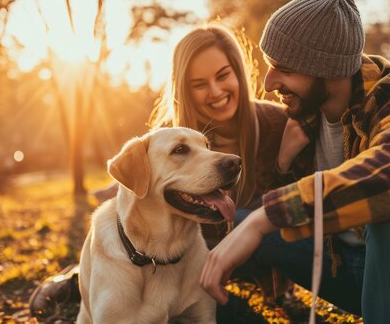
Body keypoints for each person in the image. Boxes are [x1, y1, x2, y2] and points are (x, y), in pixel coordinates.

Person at [200, 0, 390, 324]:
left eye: (283, 68)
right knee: (233, 221)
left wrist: (266, 218)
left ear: (326, 68)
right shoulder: (303, 114)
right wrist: (281, 167)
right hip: (345, 269)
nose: (268, 83)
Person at [29, 24, 293, 319]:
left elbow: (302, 197)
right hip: (172, 262)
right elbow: (138, 186)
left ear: (238, 73)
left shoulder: (279, 123)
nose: (216, 91)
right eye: (199, 83)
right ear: (183, 87)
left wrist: (288, 156)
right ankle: (76, 278)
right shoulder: (171, 131)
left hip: (238, 257)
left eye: (223, 75)